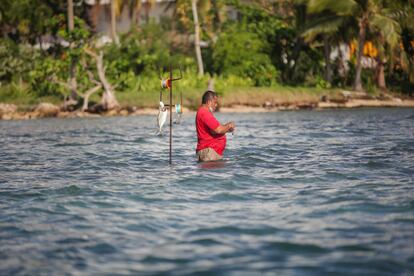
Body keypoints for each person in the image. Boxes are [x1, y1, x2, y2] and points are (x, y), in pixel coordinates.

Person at [195, 90, 235, 162]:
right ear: (209, 102)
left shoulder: (204, 112)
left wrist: (227, 127)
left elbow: (214, 130)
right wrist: (229, 126)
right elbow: (218, 130)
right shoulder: (204, 113)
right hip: (209, 152)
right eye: (215, 102)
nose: (216, 105)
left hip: (210, 152)